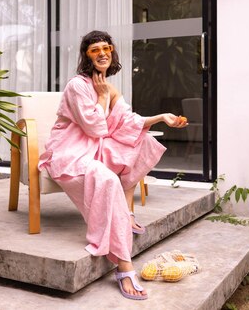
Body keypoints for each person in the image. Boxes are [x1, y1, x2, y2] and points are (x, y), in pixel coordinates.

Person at [38, 30, 188, 300]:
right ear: (86, 55)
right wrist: (103, 99)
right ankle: (123, 263)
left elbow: (127, 120)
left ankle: (126, 214)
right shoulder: (78, 86)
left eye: (106, 48)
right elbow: (95, 127)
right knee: (107, 179)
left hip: (96, 149)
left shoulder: (109, 86)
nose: (102, 53)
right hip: (71, 154)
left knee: (141, 141)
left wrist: (161, 118)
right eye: (95, 49)